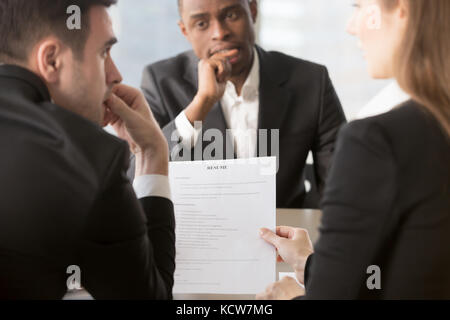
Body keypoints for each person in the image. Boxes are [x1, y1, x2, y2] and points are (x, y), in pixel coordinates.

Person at [258, 0, 450, 300]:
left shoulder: (375, 141)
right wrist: (310, 265)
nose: (351, 25)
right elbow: (410, 270)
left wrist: (287, 298)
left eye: (359, 6)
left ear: (402, 9)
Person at [0, 0, 175, 299]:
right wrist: (152, 153)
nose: (116, 75)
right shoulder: (88, 158)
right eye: (103, 52)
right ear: (52, 60)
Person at [140, 0, 347, 209]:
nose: (220, 33)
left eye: (231, 16)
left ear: (253, 11)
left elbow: (342, 182)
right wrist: (201, 104)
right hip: (200, 237)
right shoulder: (161, 82)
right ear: (185, 31)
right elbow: (140, 180)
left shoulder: (310, 81)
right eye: (202, 24)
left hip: (284, 234)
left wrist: (302, 222)